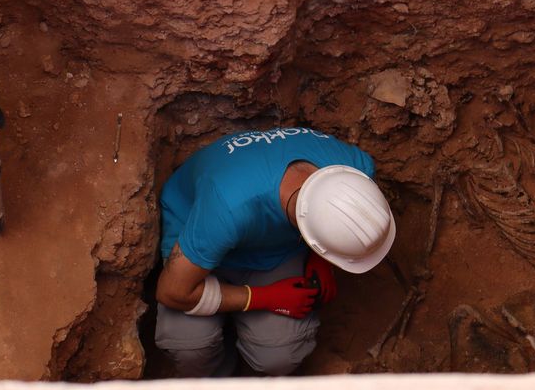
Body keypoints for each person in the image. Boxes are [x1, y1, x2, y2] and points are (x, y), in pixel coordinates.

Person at [154, 127, 396, 377]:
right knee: (191, 347)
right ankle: (217, 380)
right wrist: (268, 297)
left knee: (279, 355)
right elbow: (171, 292)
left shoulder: (357, 168)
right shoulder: (228, 208)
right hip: (198, 232)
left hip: (272, 246)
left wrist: (320, 261)